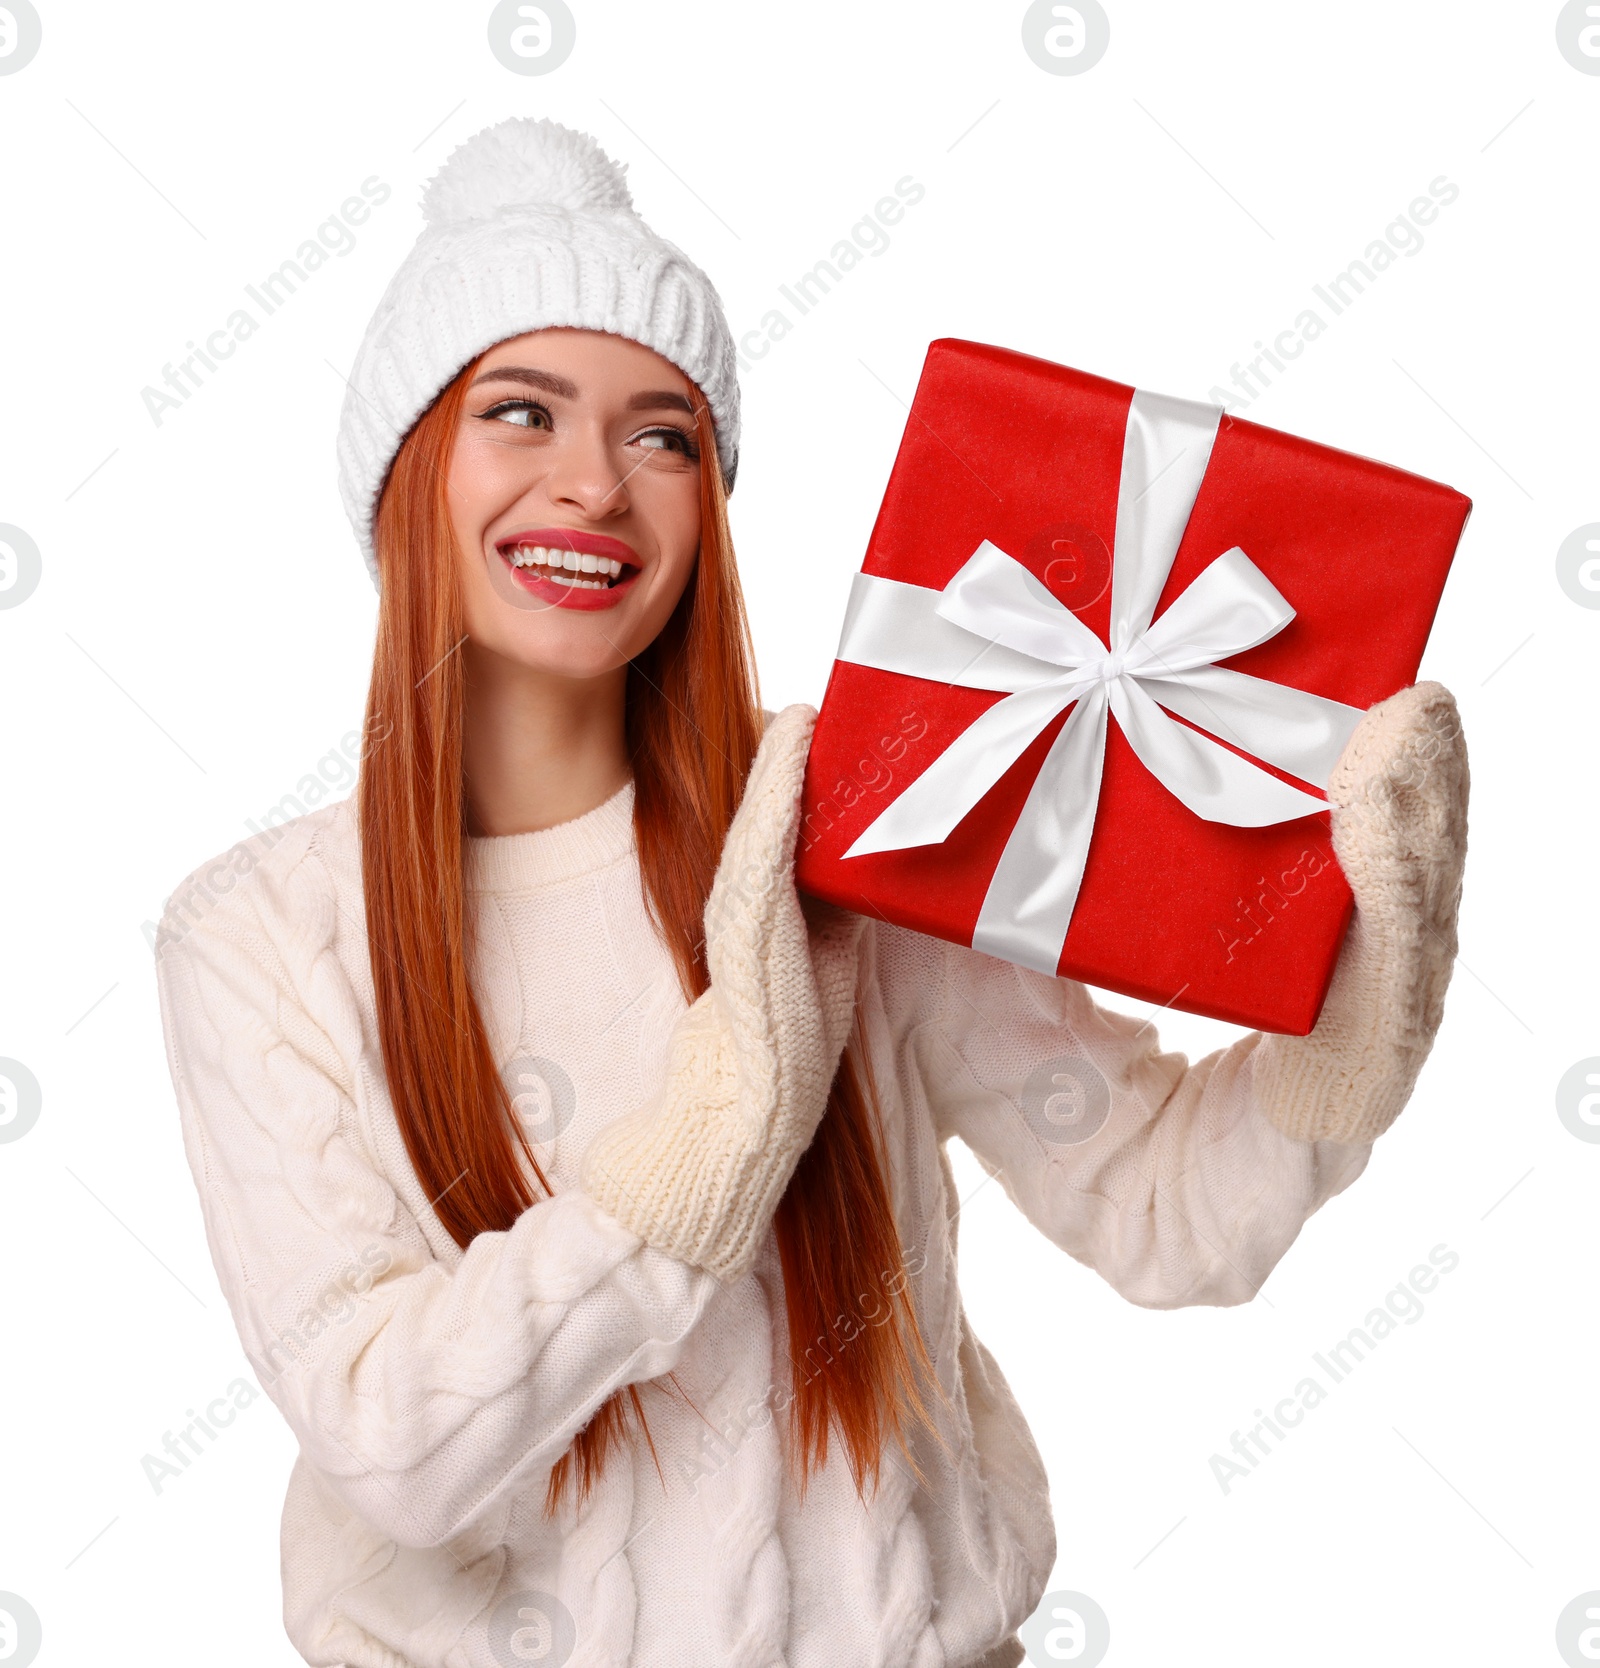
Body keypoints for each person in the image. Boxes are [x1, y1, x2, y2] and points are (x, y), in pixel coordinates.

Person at [153, 117, 1470, 1668]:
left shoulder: (849, 826)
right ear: (406, 474)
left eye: (664, 437)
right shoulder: (259, 932)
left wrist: (1363, 1011)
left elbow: (1163, 1213)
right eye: (522, 414)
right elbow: (389, 1437)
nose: (596, 484)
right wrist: (719, 1140)